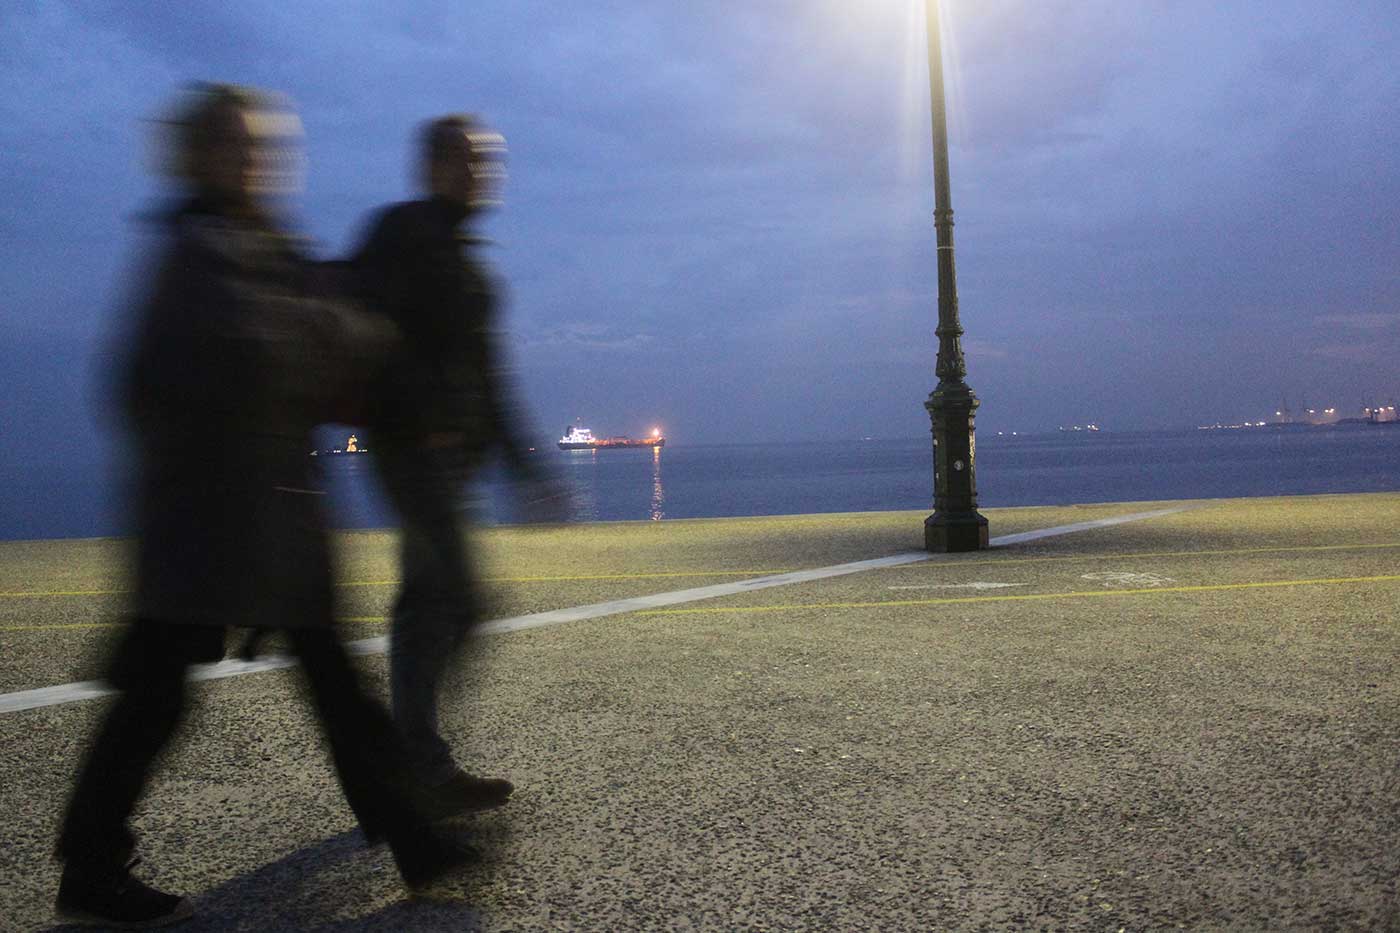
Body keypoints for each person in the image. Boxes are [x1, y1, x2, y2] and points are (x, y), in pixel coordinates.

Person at [55, 84, 476, 929]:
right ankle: (91, 865)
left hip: (263, 519)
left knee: (332, 686)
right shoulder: (200, 253)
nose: (252, 157)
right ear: (195, 155)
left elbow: (310, 339)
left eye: (259, 144)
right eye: (233, 143)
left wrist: (337, 340)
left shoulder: (258, 246)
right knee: (159, 697)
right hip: (206, 521)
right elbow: (200, 370)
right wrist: (336, 341)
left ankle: (417, 839)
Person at [350, 114, 568, 816]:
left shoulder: (460, 251)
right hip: (412, 452)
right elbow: (366, 333)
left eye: (488, 161)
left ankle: (417, 764)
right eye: (469, 160)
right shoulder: (402, 234)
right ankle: (417, 764)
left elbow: (488, 375)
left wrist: (526, 467)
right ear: (433, 165)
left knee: (430, 602)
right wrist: (420, 417)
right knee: (455, 602)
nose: (482, 173)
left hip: (452, 459)